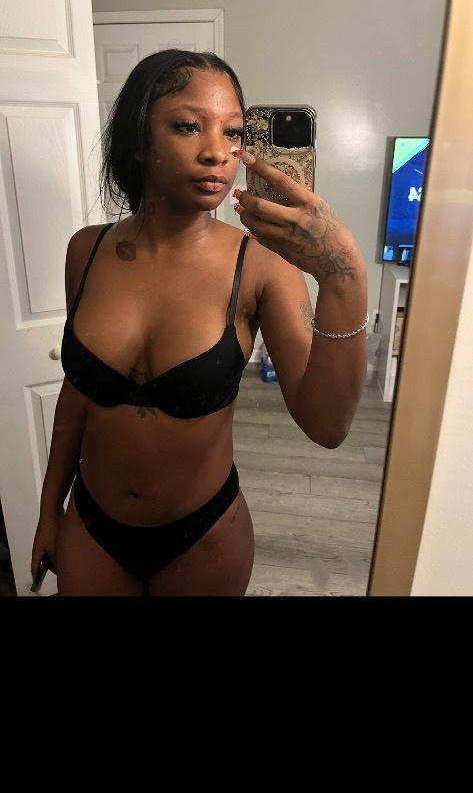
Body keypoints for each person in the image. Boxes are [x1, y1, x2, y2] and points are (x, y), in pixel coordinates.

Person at [31, 49, 368, 597]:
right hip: (90, 528)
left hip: (203, 537)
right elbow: (77, 395)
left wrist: (343, 276)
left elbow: (328, 427)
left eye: (233, 132)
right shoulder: (85, 251)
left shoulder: (261, 263)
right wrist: (50, 511)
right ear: (138, 141)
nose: (217, 152)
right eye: (188, 126)